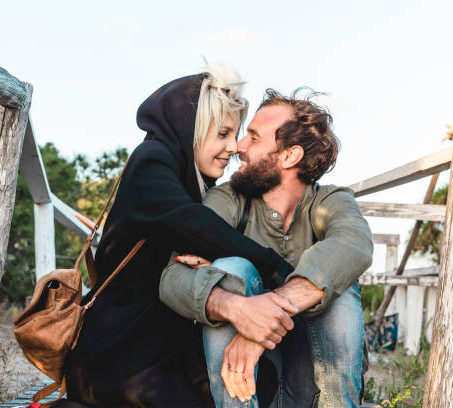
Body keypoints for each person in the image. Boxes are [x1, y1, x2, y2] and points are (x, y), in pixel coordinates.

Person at [64, 69, 297, 408]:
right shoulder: (152, 160)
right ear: (193, 128)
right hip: (122, 343)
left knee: (260, 384)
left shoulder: (188, 173)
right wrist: (276, 267)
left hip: (162, 333)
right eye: (222, 133)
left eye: (235, 134)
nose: (233, 147)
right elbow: (194, 225)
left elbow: (193, 236)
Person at [161, 89, 373, 407]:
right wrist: (237, 309)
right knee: (232, 271)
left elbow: (353, 244)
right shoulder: (228, 199)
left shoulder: (330, 200)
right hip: (249, 386)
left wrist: (262, 321)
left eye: (253, 138)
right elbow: (172, 277)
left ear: (289, 156)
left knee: (339, 283)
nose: (238, 147)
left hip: (313, 380)